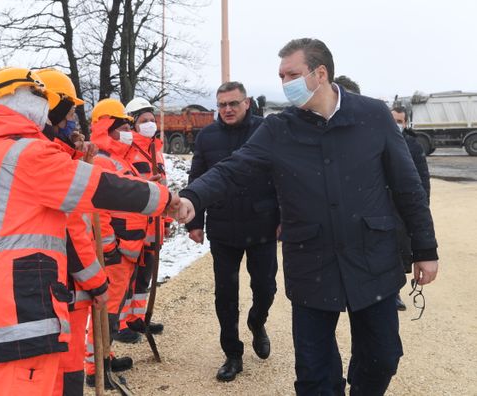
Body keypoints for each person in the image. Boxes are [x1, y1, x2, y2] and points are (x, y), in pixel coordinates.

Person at [177, 38, 439, 395]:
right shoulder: (278, 129)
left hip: (371, 258)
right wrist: (194, 197)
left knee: (383, 356)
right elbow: (233, 169)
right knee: (314, 375)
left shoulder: (373, 116)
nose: (285, 83)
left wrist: (425, 248)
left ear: (320, 73)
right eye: (280, 76)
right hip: (311, 264)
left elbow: (408, 188)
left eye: (292, 74)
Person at [0, 67, 178, 395]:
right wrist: (167, 200)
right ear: (31, 103)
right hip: (27, 320)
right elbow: (101, 189)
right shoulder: (29, 155)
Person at [186, 81, 280, 382]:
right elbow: (197, 177)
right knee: (225, 295)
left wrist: (285, 217)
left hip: (262, 225)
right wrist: (194, 222)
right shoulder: (206, 137)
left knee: (265, 288)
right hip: (223, 227)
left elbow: (283, 177)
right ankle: (233, 353)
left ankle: (257, 321)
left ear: (247, 103)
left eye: (233, 103)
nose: (227, 109)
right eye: (222, 104)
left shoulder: (266, 131)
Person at [36, 68, 109, 396]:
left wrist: (81, 154)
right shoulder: (52, 163)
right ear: (52, 115)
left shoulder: (59, 155)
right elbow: (72, 229)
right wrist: (97, 283)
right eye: (69, 116)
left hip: (56, 288)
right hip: (67, 289)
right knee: (66, 374)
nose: (75, 123)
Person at [84, 98, 150, 386]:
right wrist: (109, 248)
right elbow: (98, 211)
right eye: (121, 126)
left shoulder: (120, 159)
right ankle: (94, 370)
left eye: (127, 125)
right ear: (107, 127)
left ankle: (105, 357)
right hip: (115, 253)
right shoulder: (101, 160)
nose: (127, 130)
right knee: (105, 314)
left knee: (112, 311)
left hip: (127, 249)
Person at [116, 97, 169, 341]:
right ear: (133, 124)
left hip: (154, 224)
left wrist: (166, 220)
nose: (149, 124)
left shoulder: (154, 148)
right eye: (143, 121)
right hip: (135, 224)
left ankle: (136, 317)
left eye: (151, 120)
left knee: (144, 275)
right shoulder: (127, 148)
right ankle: (121, 322)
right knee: (127, 276)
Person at [391, 105, 431, 310]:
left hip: (403, 208)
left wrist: (423, 207)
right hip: (383, 205)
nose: (396, 124)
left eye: (400, 121)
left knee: (401, 248)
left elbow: (422, 179)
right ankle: (389, 292)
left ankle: (395, 290)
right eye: (393, 120)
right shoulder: (378, 141)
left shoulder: (413, 146)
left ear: (406, 124)